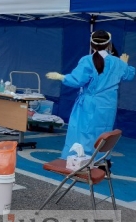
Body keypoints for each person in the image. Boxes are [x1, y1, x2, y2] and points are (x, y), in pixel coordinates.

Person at [47, 30, 135, 158]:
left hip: (89, 103)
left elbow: (77, 80)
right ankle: (100, 160)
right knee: (103, 132)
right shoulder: (117, 63)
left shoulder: (88, 60)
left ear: (92, 44)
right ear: (109, 44)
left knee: (83, 132)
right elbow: (129, 75)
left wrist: (62, 77)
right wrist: (124, 64)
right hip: (107, 105)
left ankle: (79, 159)